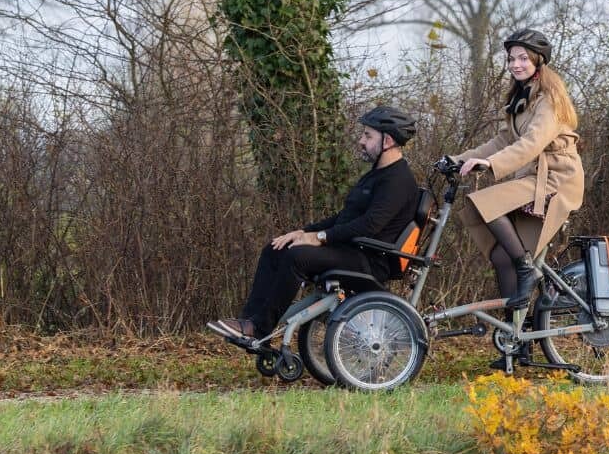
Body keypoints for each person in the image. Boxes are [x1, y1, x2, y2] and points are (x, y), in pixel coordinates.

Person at [208, 106, 419, 340]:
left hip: (371, 259)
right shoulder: (377, 174)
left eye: (368, 135)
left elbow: (369, 226)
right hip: (354, 250)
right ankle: (248, 323)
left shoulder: (398, 180)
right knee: (275, 249)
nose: (361, 141)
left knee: (297, 257)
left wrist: (320, 238)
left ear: (387, 140)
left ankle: (259, 329)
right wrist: (303, 232)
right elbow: (345, 218)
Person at [451, 29, 584, 317]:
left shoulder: (549, 99)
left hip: (556, 180)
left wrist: (492, 165)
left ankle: (527, 270)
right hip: (532, 180)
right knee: (501, 256)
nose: (515, 64)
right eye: (511, 59)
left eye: (523, 58)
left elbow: (532, 143)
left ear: (539, 62)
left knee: (484, 202)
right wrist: (458, 159)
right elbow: (501, 141)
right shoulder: (519, 99)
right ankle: (517, 339)